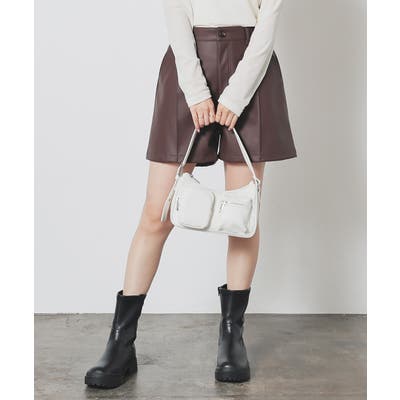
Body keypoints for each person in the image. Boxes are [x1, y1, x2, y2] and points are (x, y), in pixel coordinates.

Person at [85, 0, 296, 389]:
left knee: (242, 216)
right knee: (156, 214)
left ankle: (232, 338)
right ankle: (121, 342)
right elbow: (176, 11)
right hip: (188, 67)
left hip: (252, 69)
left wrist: (236, 95)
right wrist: (196, 91)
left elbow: (269, 20)